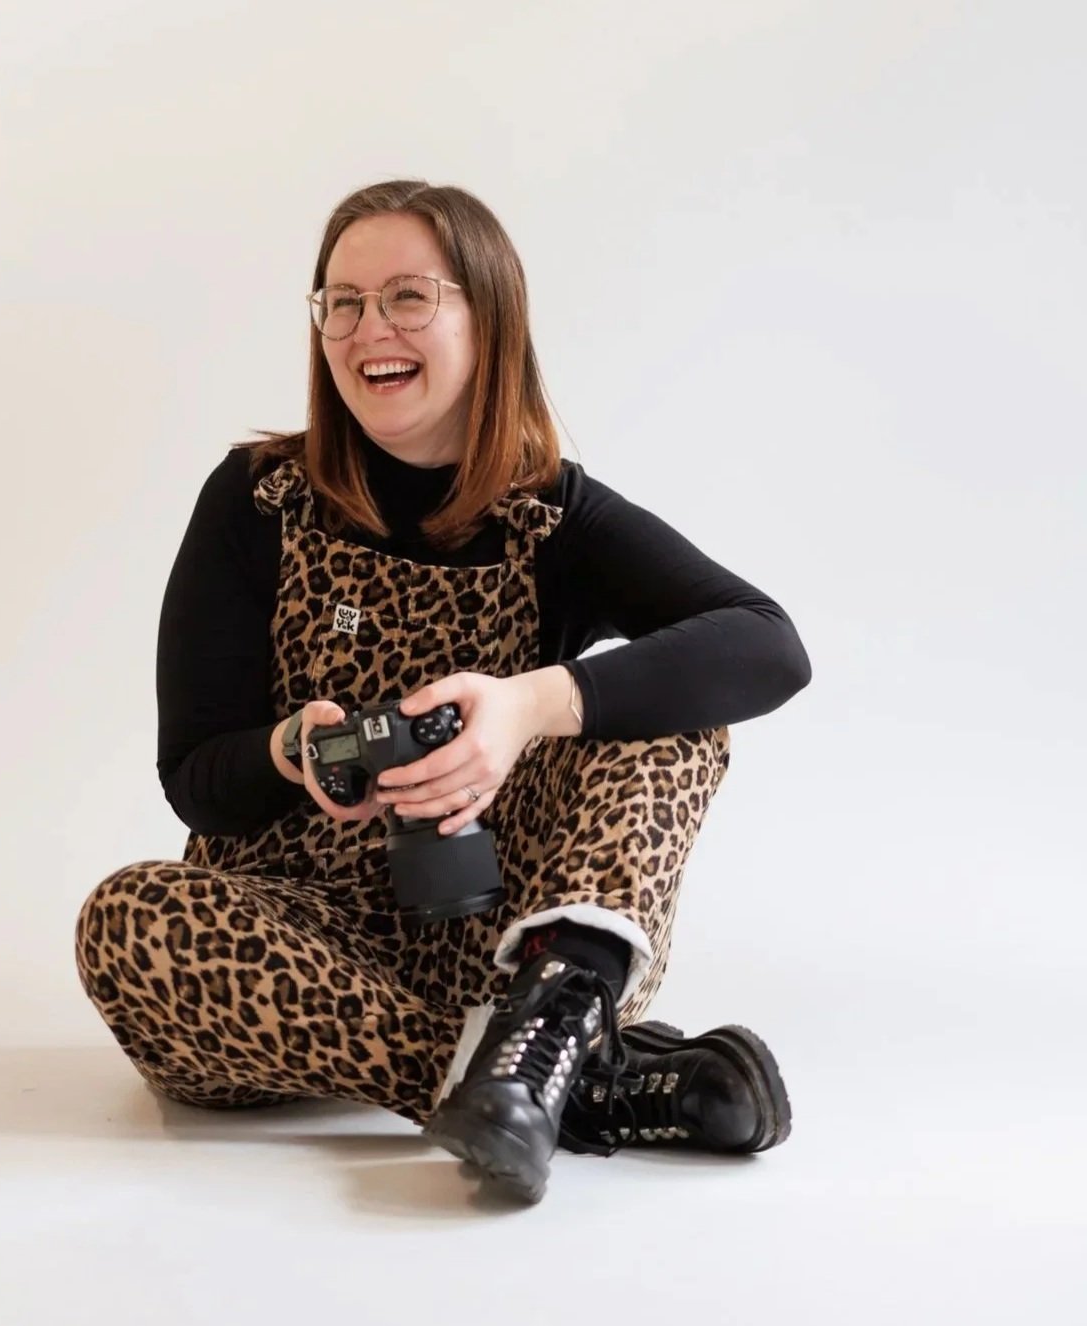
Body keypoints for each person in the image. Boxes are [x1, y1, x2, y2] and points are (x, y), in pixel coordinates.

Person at [74, 179, 813, 1205]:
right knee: (125, 919)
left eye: (408, 297)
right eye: (342, 302)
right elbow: (195, 780)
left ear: (489, 315)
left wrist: (527, 707)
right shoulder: (256, 499)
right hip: (289, 955)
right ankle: (557, 1085)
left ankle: (543, 1029)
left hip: (518, 941)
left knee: (669, 724)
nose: (368, 328)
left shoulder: (552, 515)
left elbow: (769, 646)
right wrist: (289, 750)